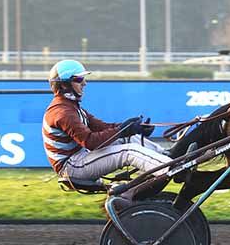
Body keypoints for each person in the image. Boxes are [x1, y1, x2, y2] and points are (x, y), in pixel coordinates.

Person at [42, 59, 172, 199]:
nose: (84, 83)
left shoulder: (72, 107)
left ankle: (167, 156)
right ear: (64, 85)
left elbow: (103, 127)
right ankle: (171, 168)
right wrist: (122, 130)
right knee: (128, 151)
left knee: (127, 138)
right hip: (72, 168)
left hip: (79, 159)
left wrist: (133, 128)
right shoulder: (62, 112)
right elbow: (90, 142)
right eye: (79, 79)